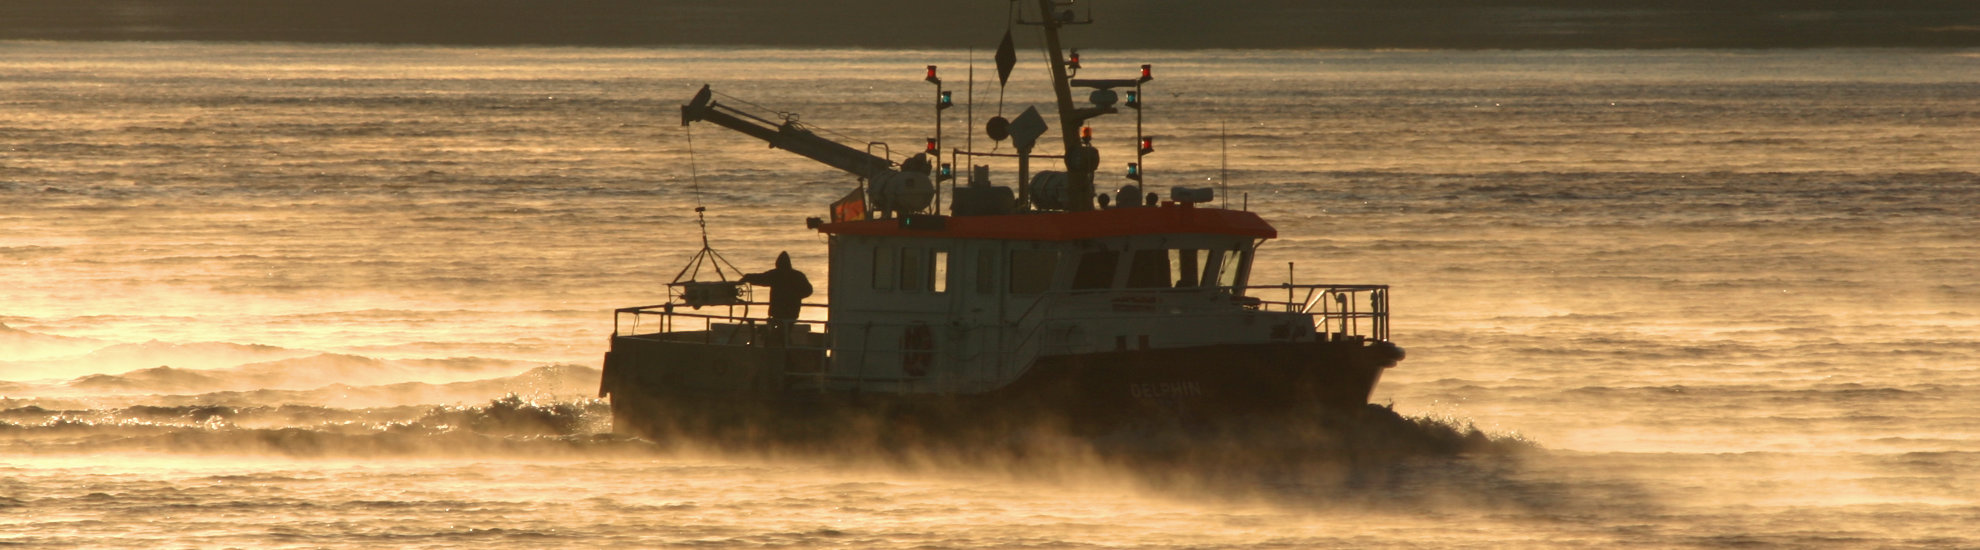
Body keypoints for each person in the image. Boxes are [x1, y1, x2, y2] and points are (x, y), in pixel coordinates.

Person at [741, 251, 812, 325]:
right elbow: (809, 290)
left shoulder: (776, 274)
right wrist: (796, 297)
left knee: (778, 334)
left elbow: (761, 278)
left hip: (778, 312)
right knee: (785, 332)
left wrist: (748, 277)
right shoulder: (798, 275)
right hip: (792, 312)